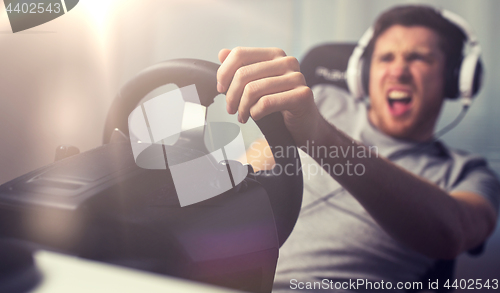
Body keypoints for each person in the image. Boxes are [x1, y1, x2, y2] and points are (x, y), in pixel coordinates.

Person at [216, 5, 500, 292]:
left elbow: (453, 235)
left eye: (419, 58)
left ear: (455, 79)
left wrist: (319, 135)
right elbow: (240, 181)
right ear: (363, 74)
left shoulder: (467, 172)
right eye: (385, 58)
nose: (398, 72)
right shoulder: (321, 102)